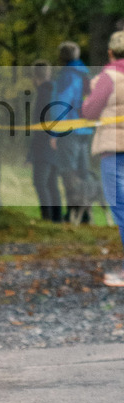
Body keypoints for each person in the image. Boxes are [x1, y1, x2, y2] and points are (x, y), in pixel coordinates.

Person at [82, 30, 124, 287]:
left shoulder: (108, 77)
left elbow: (89, 111)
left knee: (121, 210)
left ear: (110, 52)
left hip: (115, 152)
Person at [48, 41, 94, 223]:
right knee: (84, 172)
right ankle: (86, 214)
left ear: (61, 57)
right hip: (85, 130)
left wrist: (54, 133)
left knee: (69, 173)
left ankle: (74, 214)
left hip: (69, 131)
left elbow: (60, 105)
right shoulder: (85, 74)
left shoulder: (66, 76)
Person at [27, 61, 62, 222]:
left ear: (35, 77)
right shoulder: (54, 90)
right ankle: (57, 219)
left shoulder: (44, 93)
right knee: (51, 182)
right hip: (55, 142)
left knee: (40, 182)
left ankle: (48, 218)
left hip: (45, 144)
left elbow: (45, 119)